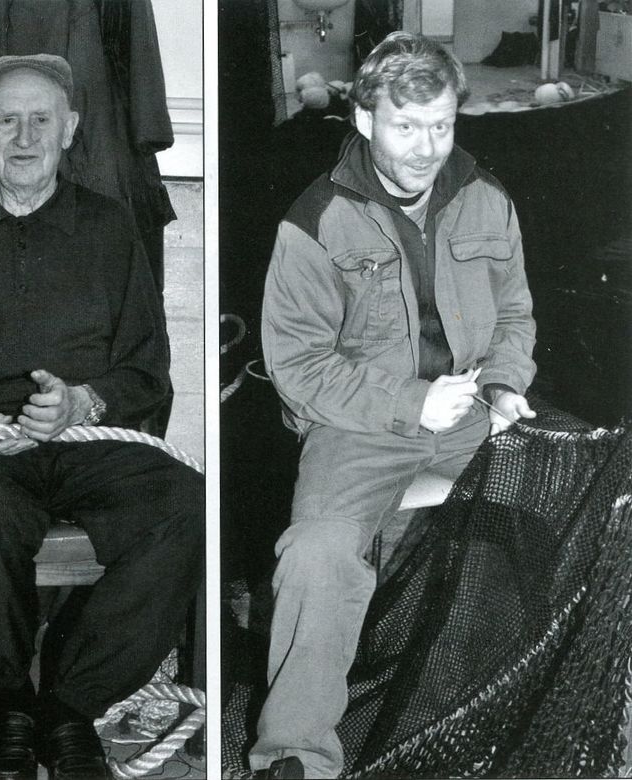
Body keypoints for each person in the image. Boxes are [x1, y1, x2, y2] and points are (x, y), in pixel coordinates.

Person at [0, 54, 204, 780]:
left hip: (85, 442)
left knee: (183, 502)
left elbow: (147, 371)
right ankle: (8, 703)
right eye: (7, 120)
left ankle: (69, 706)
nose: (24, 137)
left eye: (41, 120)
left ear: (70, 129)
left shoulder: (109, 227)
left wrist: (83, 402)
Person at [251, 32, 538, 779]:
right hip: (359, 426)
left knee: (592, 497)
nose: (427, 147)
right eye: (406, 126)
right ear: (363, 119)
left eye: (440, 125)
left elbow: (514, 314)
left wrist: (504, 384)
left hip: (475, 410)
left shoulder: (486, 197)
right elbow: (297, 367)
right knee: (316, 554)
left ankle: (540, 714)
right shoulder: (313, 220)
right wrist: (412, 403)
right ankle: (294, 754)